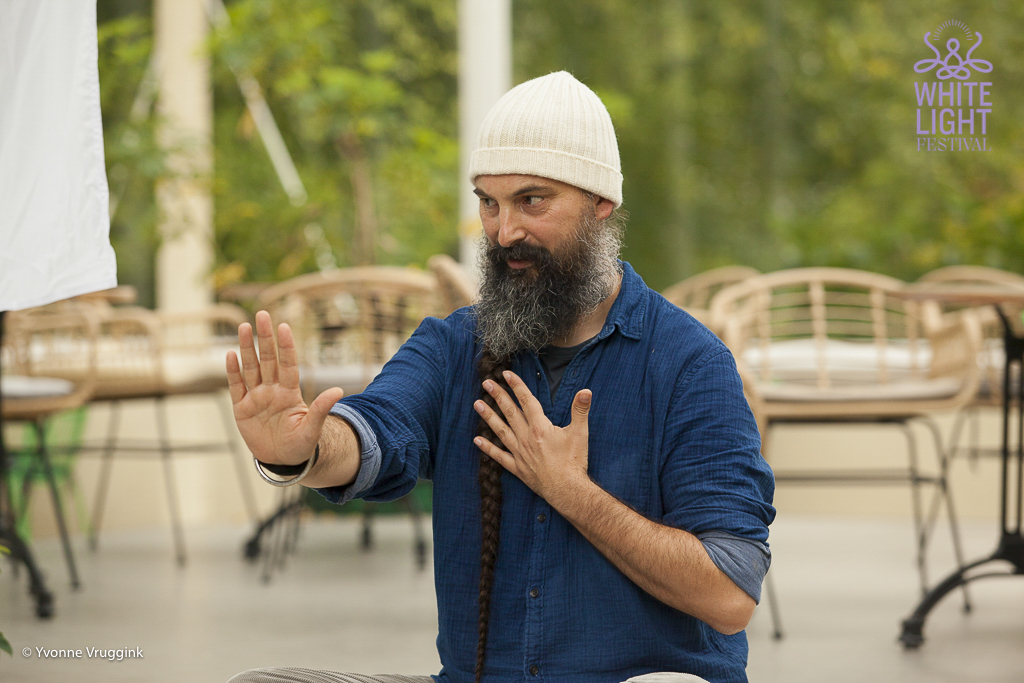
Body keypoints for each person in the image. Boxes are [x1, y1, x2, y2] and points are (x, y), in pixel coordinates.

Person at [226, 71, 775, 683]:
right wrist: (303, 453)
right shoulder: (453, 346)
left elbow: (730, 596)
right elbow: (376, 434)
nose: (503, 231)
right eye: (489, 202)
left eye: (531, 200)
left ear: (601, 204)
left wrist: (573, 493)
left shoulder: (688, 363)